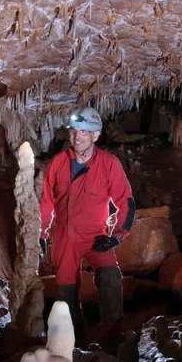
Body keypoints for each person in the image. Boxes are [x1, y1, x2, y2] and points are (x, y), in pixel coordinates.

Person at [39, 107, 135, 341]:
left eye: (83, 131)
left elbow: (126, 201)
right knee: (66, 294)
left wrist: (117, 236)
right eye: (74, 131)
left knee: (110, 277)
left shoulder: (109, 164)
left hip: (95, 235)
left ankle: (112, 335)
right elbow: (47, 202)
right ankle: (75, 338)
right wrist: (41, 234)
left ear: (95, 135)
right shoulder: (59, 162)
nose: (77, 136)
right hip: (64, 236)